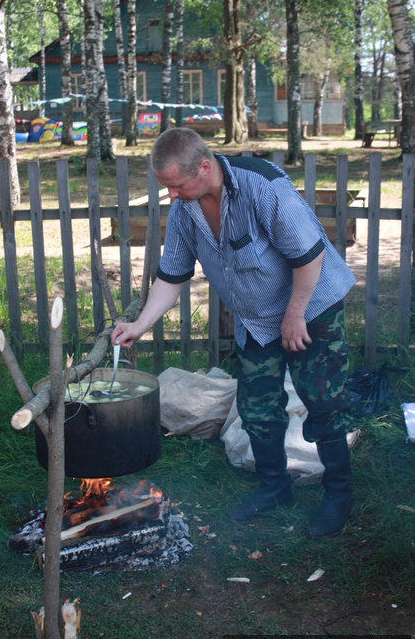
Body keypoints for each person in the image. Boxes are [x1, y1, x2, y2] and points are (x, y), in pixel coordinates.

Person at [111, 127, 357, 538]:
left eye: (175, 185)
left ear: (204, 167)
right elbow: (171, 278)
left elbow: (310, 255)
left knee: (324, 403)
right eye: (165, 187)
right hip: (258, 321)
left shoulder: (263, 186)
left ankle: (339, 494)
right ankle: (274, 489)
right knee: (258, 410)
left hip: (312, 305)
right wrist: (140, 325)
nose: (170, 195)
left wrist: (295, 315)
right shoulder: (186, 211)